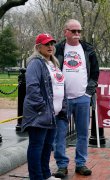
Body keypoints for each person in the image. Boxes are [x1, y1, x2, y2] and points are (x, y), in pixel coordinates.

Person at [53, 19, 99, 178]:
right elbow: (51, 72)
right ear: (65, 31)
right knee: (59, 133)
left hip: (82, 99)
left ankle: (81, 163)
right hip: (62, 100)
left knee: (83, 133)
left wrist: (88, 93)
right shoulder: (57, 49)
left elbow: (95, 74)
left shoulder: (88, 49)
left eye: (79, 31)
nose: (77, 34)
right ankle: (62, 165)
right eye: (73, 31)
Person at [22, 33, 66, 180]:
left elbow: (59, 86)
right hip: (40, 114)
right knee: (37, 146)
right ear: (38, 46)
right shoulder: (35, 63)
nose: (50, 47)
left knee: (47, 146)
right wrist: (42, 107)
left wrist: (61, 107)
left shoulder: (54, 63)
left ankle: (46, 175)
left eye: (52, 44)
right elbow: (32, 88)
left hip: (52, 114)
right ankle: (36, 177)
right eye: (46, 44)